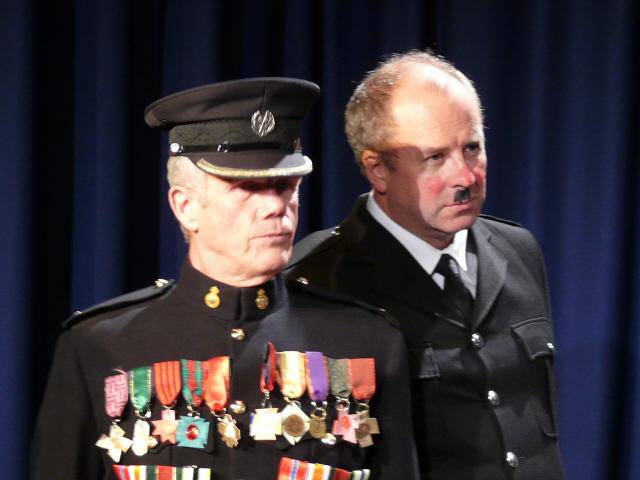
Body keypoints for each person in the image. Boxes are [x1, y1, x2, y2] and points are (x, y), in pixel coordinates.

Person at [31, 78, 419, 480]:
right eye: (247, 187)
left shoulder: (367, 342)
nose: (275, 206)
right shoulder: (100, 346)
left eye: (285, 186)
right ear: (186, 206)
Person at [286, 52, 565, 479]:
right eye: (435, 157)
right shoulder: (322, 280)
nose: (466, 177)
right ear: (377, 170)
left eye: (472, 148)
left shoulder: (518, 249)